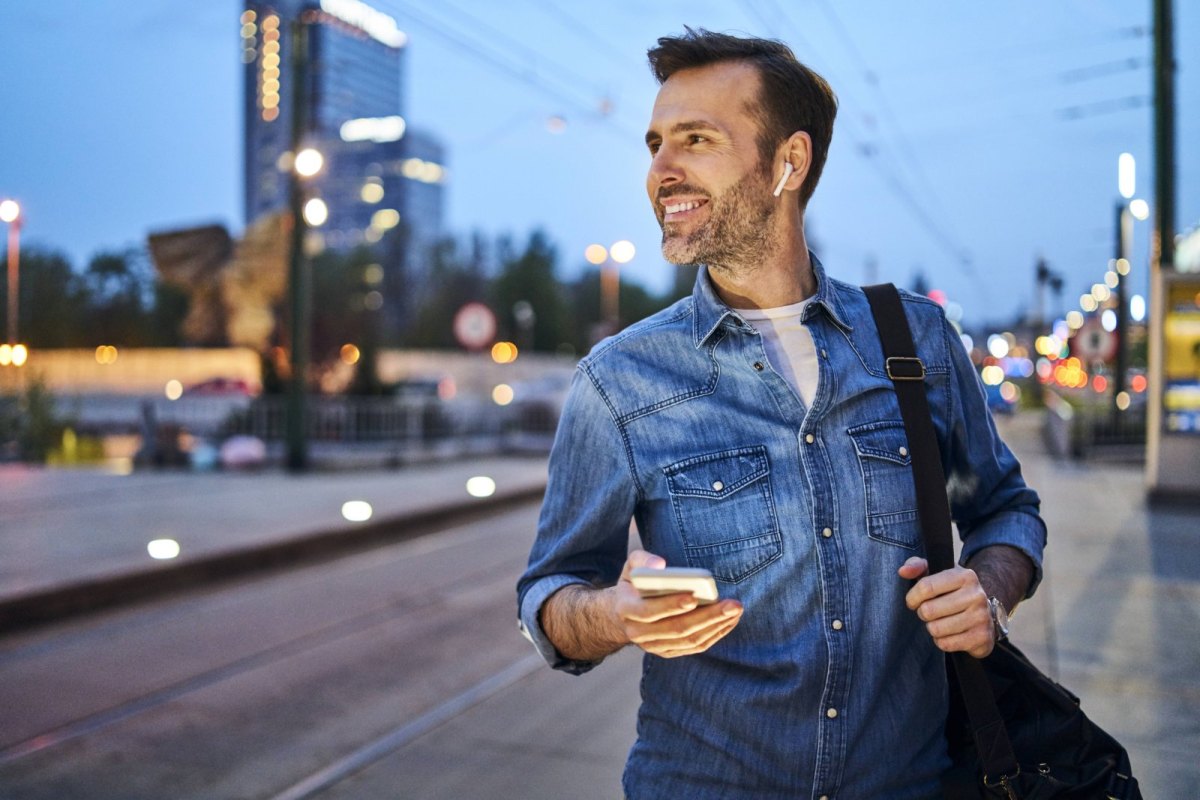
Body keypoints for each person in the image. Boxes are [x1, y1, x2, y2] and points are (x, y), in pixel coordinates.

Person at [517, 28, 1045, 799]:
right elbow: (550, 596)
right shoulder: (620, 379)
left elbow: (1007, 511)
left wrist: (988, 592)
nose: (661, 172)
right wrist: (616, 614)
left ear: (788, 163)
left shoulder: (916, 342)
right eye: (656, 143)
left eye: (695, 140)